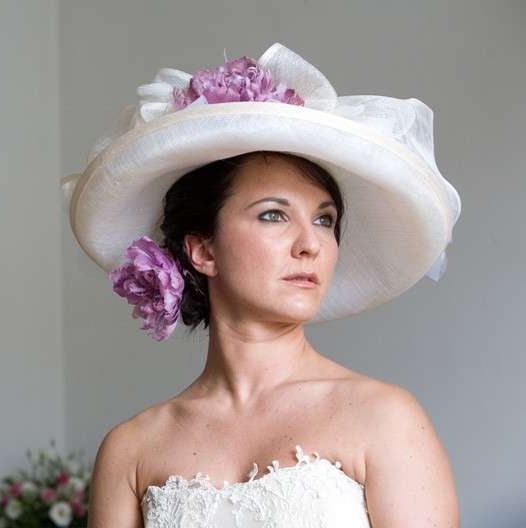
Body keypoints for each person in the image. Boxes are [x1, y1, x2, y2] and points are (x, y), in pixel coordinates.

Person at [61, 42, 462, 527]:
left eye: (325, 220)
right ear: (203, 250)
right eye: (273, 215)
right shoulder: (132, 449)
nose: (310, 244)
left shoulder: (384, 418)